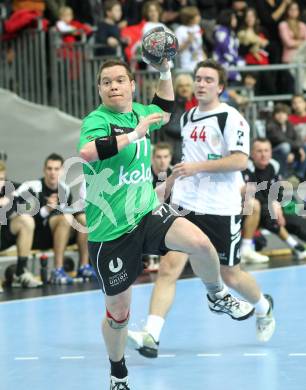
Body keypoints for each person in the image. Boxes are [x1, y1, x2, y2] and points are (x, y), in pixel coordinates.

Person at [78, 58, 254, 390]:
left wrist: (165, 71)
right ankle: (118, 372)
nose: (113, 86)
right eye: (106, 82)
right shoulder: (97, 120)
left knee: (201, 244)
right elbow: (87, 152)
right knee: (119, 314)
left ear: (132, 85)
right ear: (100, 89)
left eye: (119, 80)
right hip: (111, 230)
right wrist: (134, 135)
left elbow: (165, 106)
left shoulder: (141, 112)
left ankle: (217, 295)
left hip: (146, 211)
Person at [127, 59, 275, 361]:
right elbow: (185, 162)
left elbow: (239, 161)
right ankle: (151, 335)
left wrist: (198, 167)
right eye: (198, 78)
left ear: (220, 86)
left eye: (208, 79)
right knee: (169, 268)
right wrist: (167, 184)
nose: (201, 83)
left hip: (220, 208)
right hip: (185, 205)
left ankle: (263, 307)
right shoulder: (187, 118)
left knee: (228, 273)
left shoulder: (231, 118)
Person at [15, 153, 95, 284]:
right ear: (44, 170)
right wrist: (47, 209)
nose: (53, 173)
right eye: (49, 168)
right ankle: (57, 270)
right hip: (36, 236)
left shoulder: (65, 189)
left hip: (59, 235)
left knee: (83, 219)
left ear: (62, 170)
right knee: (65, 218)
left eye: (56, 169)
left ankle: (84, 266)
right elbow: (24, 219)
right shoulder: (34, 187)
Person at [242, 138, 306, 260]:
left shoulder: (274, 166)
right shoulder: (246, 168)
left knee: (298, 221)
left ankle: (297, 247)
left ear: (271, 152)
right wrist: (273, 205)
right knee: (267, 211)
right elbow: (251, 195)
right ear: (252, 153)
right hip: (249, 211)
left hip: (270, 209)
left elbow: (279, 192)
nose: (263, 154)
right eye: (259, 151)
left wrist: (277, 204)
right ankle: (296, 246)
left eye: (266, 150)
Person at [0, 161, 41, 289]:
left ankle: (20, 272)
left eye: (1, 178)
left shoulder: (10, 188)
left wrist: (13, 201)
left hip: (4, 237)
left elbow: (33, 201)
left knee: (26, 220)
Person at [266, 103, 306, 180]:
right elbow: (280, 139)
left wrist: (294, 151)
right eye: (278, 113)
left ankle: (299, 175)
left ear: (287, 115)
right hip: (274, 152)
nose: (281, 116)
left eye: (283, 113)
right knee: (285, 147)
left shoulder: (289, 124)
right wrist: (296, 149)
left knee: (304, 146)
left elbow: (298, 139)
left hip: (290, 151)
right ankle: (283, 176)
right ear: (274, 115)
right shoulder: (271, 124)